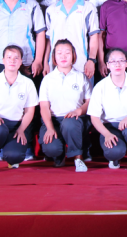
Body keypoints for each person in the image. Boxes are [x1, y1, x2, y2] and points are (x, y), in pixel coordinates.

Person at [0, 45, 38, 172]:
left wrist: (21, 129)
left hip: (15, 126)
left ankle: (8, 153)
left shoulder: (28, 83)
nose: (12, 61)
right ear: (3, 60)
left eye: (16, 58)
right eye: (9, 57)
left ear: (21, 62)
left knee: (15, 156)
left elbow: (29, 111)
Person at [39, 39, 92, 172]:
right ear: (54, 57)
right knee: (51, 149)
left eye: (67, 53)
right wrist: (50, 128)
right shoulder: (47, 79)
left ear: (73, 55)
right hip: (54, 120)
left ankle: (78, 158)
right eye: (59, 53)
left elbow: (90, 102)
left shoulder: (81, 77)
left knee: (69, 123)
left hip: (75, 120)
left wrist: (79, 111)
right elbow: (44, 107)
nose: (63, 56)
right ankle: (59, 155)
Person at [43, 0, 100, 77]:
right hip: (55, 64)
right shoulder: (51, 10)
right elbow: (49, 39)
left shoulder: (88, 8)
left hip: (81, 63)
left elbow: (94, 36)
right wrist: (46, 62)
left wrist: (91, 60)